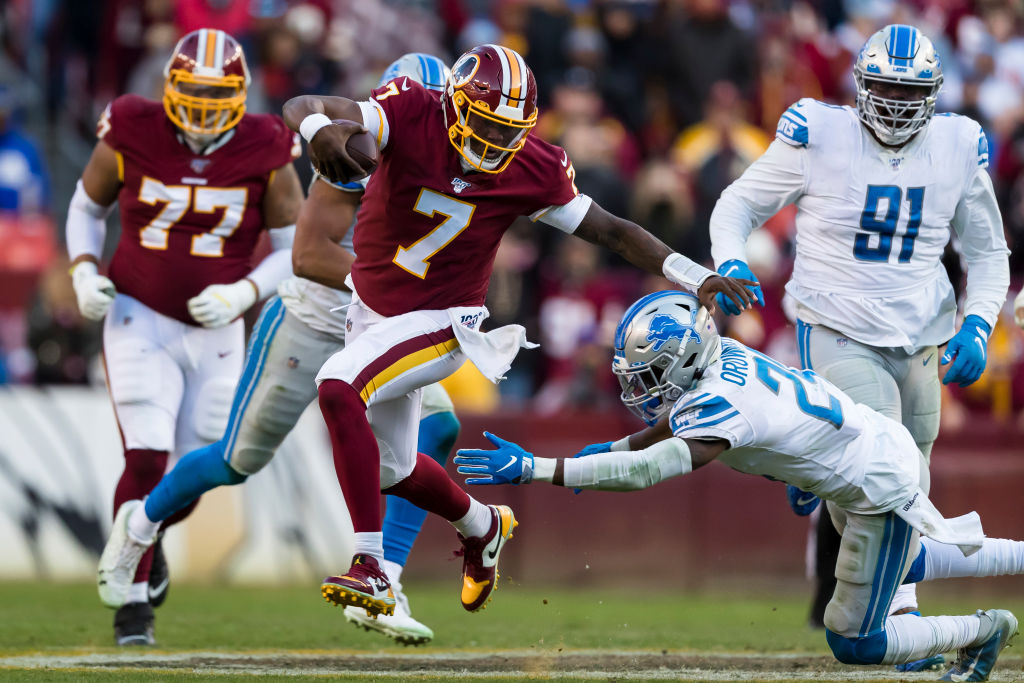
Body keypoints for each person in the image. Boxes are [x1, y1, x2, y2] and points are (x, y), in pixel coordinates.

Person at [279, 43, 757, 617]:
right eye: (484, 125)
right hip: (373, 309)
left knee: (338, 386)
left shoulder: (532, 165)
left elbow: (610, 231)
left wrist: (690, 273)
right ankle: (483, 527)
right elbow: (305, 102)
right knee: (393, 469)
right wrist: (317, 128)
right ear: (454, 106)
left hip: (442, 321)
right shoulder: (409, 109)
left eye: (509, 132)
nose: (495, 143)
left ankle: (372, 567)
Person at [454, 291, 1022, 682]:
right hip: (869, 453)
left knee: (855, 641)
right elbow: (669, 426)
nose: (644, 388)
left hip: (877, 486)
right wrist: (616, 446)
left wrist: (538, 468)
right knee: (903, 564)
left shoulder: (719, 405)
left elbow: (653, 469)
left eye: (651, 375)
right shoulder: (724, 356)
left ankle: (980, 630)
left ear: (685, 359)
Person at [97, 54, 457, 647]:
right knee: (235, 461)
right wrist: (398, 290)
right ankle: (139, 526)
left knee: (439, 430)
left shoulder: (459, 161)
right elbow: (309, 256)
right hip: (311, 324)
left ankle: (385, 581)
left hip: (377, 333)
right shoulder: (359, 149)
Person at [707, 24, 1010, 666]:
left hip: (923, 333)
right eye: (884, 88)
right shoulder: (820, 132)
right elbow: (737, 205)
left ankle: (823, 479)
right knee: (890, 474)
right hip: (837, 323)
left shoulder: (958, 143)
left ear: (933, 92)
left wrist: (979, 322)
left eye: (910, 90)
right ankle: (895, 619)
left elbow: (987, 252)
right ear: (859, 86)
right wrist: (729, 260)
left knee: (909, 490)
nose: (897, 103)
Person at [71, 28, 303, 645]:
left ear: (242, 94)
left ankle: (148, 540)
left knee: (208, 466)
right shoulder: (131, 126)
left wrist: (243, 293)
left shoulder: (266, 143)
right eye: (192, 94)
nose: (202, 109)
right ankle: (134, 605)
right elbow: (86, 206)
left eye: (215, 95)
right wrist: (83, 269)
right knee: (146, 455)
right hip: (138, 314)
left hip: (218, 327)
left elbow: (294, 250)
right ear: (168, 88)